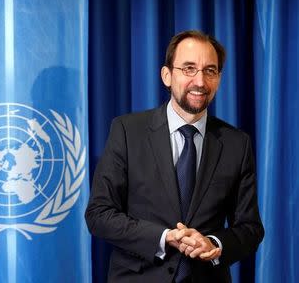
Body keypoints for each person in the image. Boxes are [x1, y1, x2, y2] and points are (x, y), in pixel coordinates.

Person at [85, 30, 264, 283]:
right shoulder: (127, 131)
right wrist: (164, 237)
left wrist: (213, 243)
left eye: (210, 71)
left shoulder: (237, 143)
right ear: (167, 75)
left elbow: (250, 228)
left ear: (219, 78)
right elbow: (99, 215)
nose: (200, 81)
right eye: (189, 68)